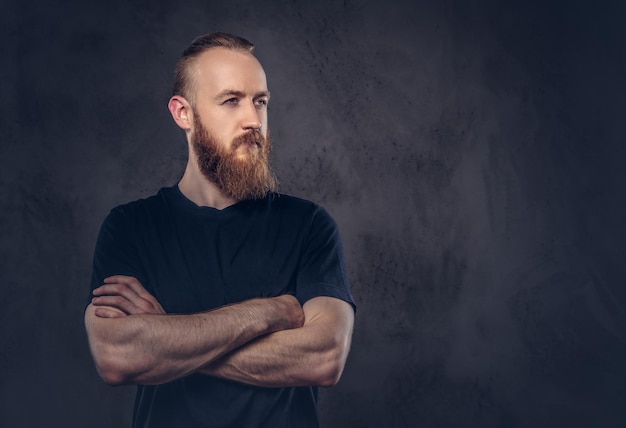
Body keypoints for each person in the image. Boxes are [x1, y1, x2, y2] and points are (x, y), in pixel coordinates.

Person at [84, 32, 356, 428]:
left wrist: (166, 337)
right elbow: (116, 356)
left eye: (260, 101)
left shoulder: (309, 225)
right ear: (183, 113)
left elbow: (324, 357)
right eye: (231, 101)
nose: (252, 120)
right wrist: (271, 310)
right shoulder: (130, 227)